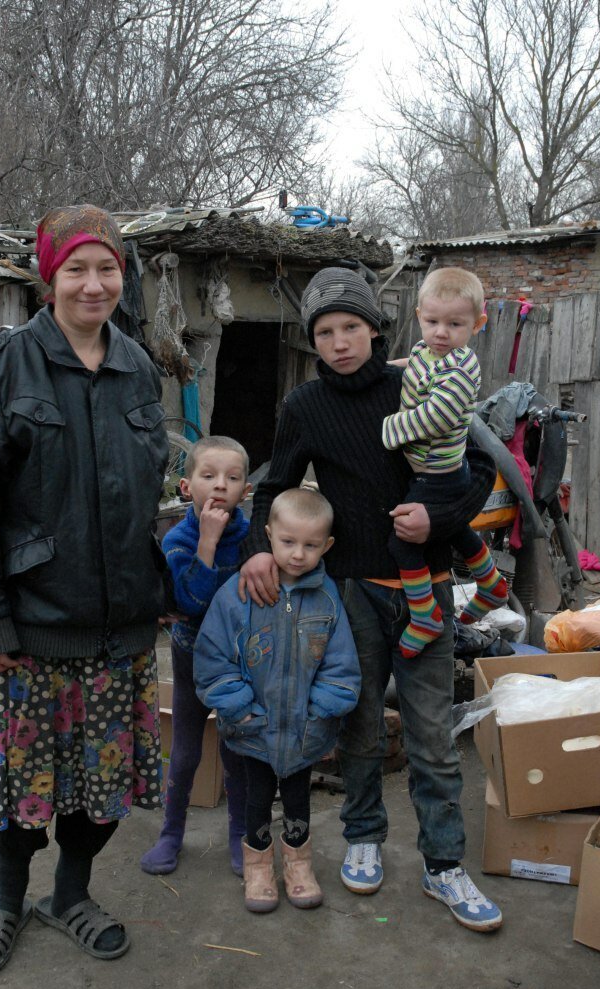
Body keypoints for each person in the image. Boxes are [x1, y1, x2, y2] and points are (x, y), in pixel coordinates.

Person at [239, 267, 503, 931]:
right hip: (352, 592)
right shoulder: (305, 407)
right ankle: (363, 835)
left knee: (435, 736)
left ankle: (444, 866)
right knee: (357, 728)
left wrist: (437, 523)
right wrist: (258, 549)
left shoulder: (416, 379)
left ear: (376, 328)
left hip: (428, 591)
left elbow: (477, 471)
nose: (339, 342)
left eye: (351, 327)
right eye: (324, 332)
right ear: (313, 342)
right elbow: (274, 487)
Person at [0, 204, 169, 973]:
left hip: (123, 626)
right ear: (50, 276)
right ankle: (8, 899)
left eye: (107, 267)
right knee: (23, 787)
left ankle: (70, 895)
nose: (94, 283)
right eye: (77, 267)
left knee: (100, 789)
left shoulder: (140, 367)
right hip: (33, 624)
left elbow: (143, 498)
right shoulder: (1, 366)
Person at [195, 488, 360, 913]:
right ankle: (259, 867)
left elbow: (340, 664)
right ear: (268, 535)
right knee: (255, 797)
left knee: (298, 798)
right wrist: (240, 708)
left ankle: (299, 865)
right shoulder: (239, 593)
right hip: (253, 727)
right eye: (288, 542)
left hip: (304, 730)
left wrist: (320, 710)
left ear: (328, 546)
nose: (299, 554)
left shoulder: (327, 600)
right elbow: (214, 658)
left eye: (310, 545)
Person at [382, 267, 508, 658]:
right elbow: (413, 363)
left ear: (477, 324)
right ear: (419, 314)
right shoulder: (428, 350)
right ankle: (490, 583)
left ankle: (425, 616)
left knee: (402, 542)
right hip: (442, 467)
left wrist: (388, 429)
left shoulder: (459, 369)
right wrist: (384, 371)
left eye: (455, 324)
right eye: (433, 321)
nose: (441, 332)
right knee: (454, 529)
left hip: (438, 473)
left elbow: (434, 416)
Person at [140, 435, 251, 877]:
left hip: (241, 662)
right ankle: (171, 833)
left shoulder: (251, 537)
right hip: (190, 658)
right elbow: (188, 602)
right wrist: (208, 540)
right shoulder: (180, 539)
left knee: (237, 749)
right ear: (187, 487)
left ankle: (241, 833)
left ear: (246, 489)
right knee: (185, 750)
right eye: (208, 476)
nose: (220, 486)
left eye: (232, 477)